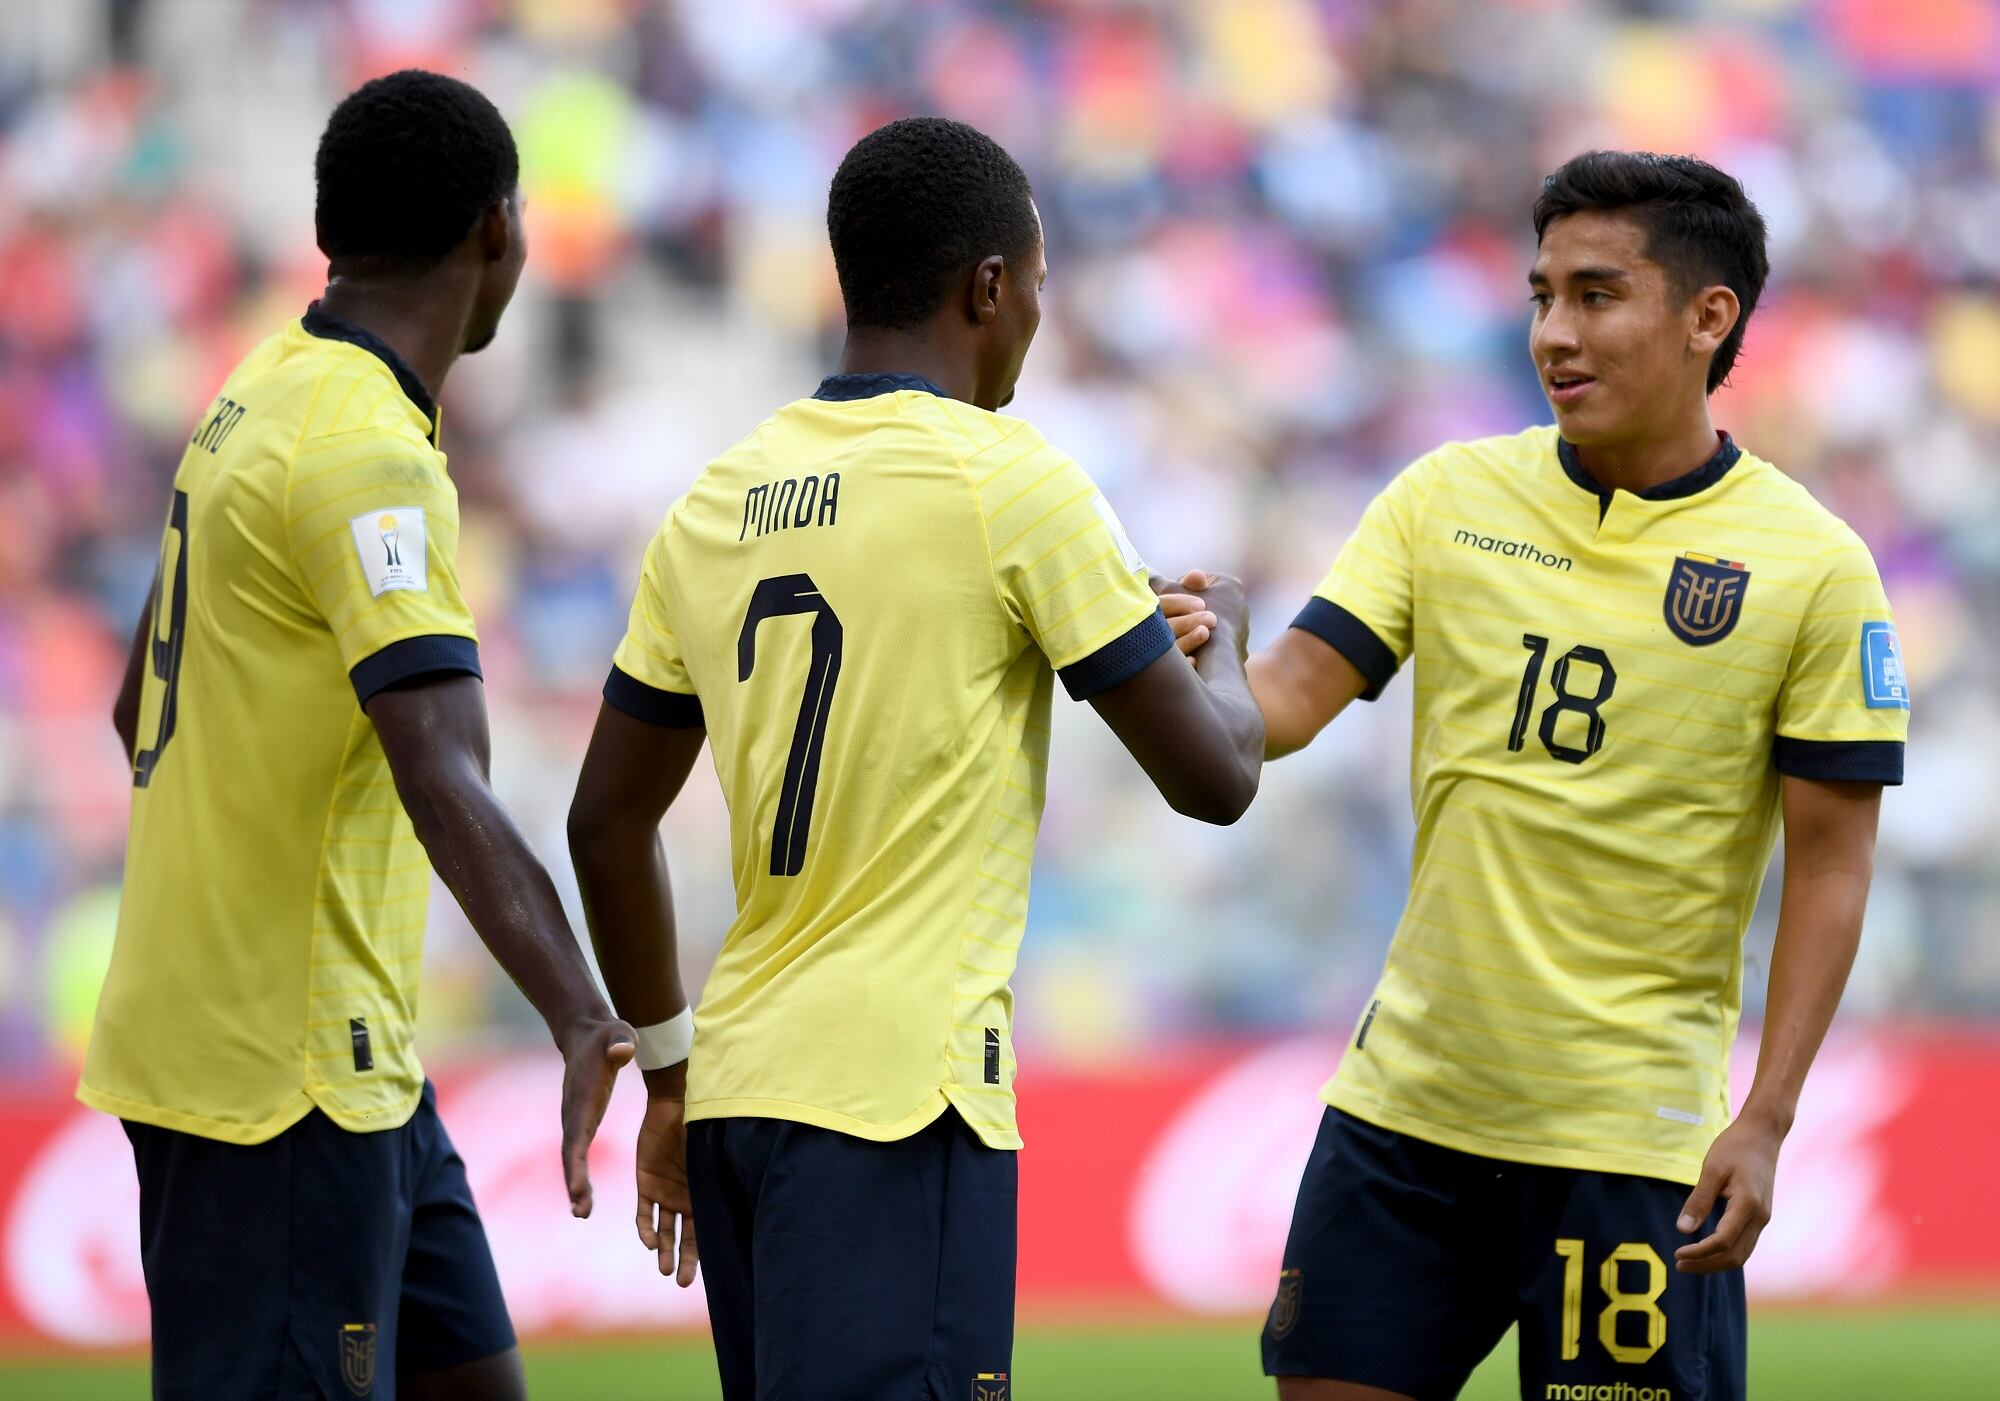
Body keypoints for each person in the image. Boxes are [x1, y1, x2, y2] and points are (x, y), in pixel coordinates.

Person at [565, 115, 1265, 1400]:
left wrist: (666, 1074)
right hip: (896, 1100)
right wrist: (1221, 649)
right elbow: (1214, 780)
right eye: (1039, 288)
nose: (1038, 321)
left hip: (736, 1097)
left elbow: (604, 826)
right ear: (988, 288)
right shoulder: (1011, 482)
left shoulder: (714, 501)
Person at [1237, 151, 1908, 1400]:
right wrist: (1179, 661)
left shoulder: (1813, 567)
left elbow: (1831, 863)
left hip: (1627, 1145)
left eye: (1596, 295)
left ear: (1708, 318)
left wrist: (1761, 1118)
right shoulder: (1446, 496)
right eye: (1541, 295)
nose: (1553, 332)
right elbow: (1277, 704)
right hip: (1401, 1117)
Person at [82, 70, 635, 1401]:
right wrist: (579, 1014)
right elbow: (438, 766)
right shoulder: (368, 452)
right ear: (499, 230)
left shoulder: (259, 389)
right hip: (283, 1079)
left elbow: (127, 699)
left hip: (341, 1052)